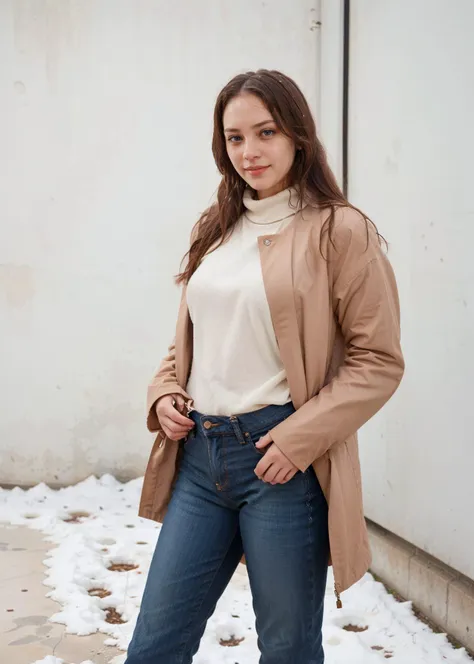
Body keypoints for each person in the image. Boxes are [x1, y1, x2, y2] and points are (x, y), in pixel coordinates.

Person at [125, 69, 404, 664]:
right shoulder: (218, 225)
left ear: (298, 135)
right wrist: (165, 390)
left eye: (265, 132)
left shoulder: (340, 231)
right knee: (154, 646)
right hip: (201, 460)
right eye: (234, 138)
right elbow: (194, 336)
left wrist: (300, 438)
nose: (249, 152)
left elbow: (377, 360)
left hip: (280, 464)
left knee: (287, 650)